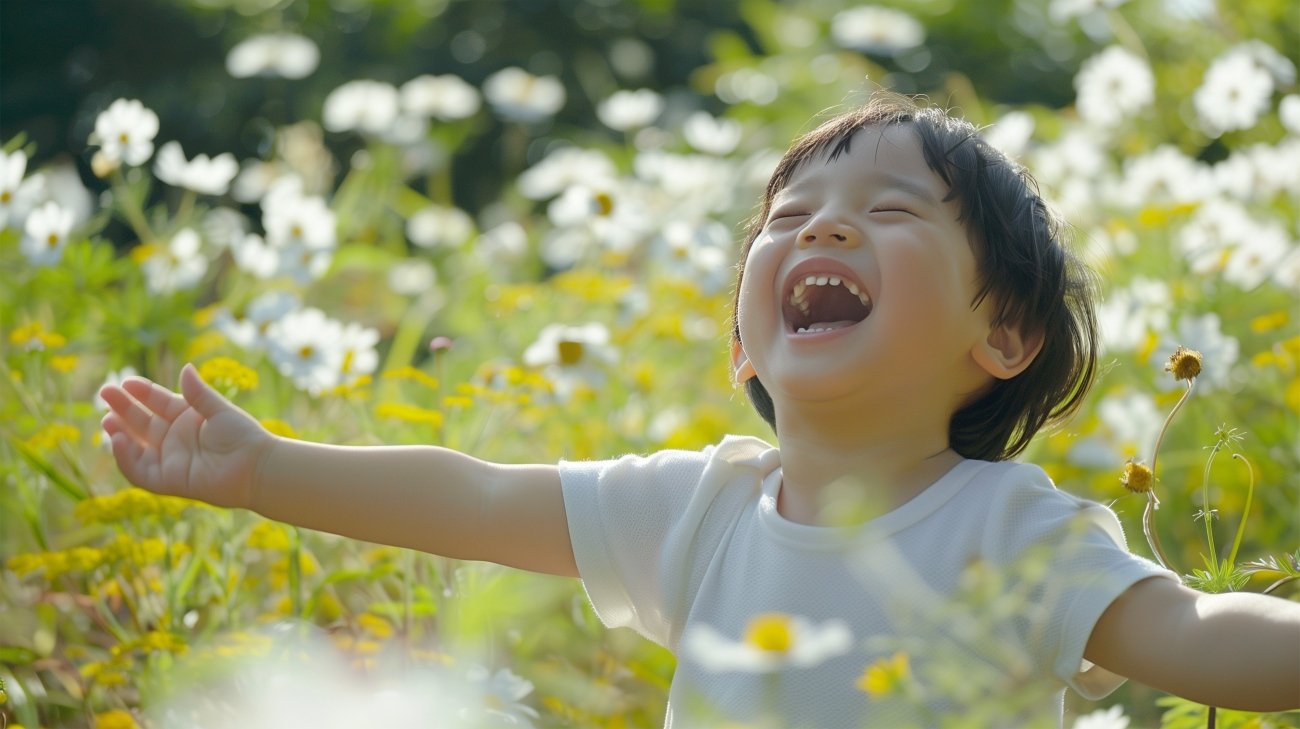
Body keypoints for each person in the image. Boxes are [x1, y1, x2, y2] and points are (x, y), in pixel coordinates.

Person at [100, 93, 1300, 727]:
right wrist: (267, 471)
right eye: (787, 218)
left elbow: (1193, 635)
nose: (820, 227)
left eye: (889, 212)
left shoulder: (1006, 532)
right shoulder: (705, 508)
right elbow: (469, 495)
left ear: (1004, 339)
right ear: (745, 340)